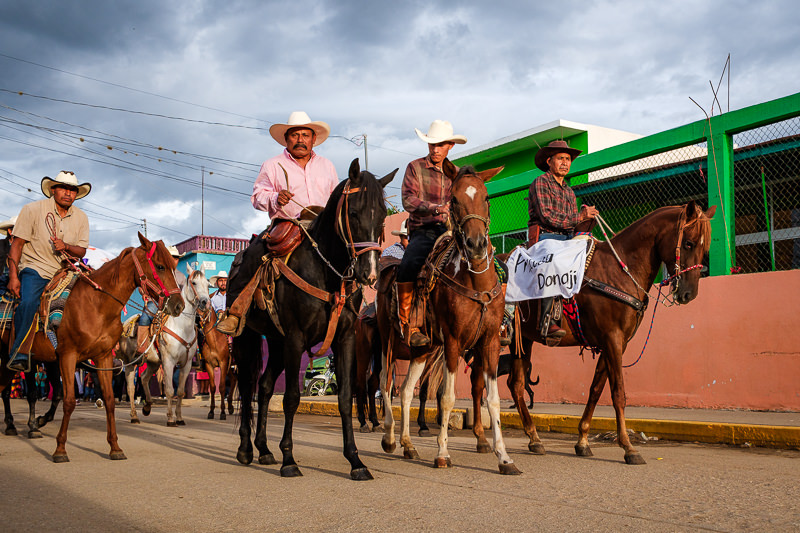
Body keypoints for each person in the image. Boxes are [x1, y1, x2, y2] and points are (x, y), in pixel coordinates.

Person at [217, 111, 339, 335]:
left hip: (323, 229)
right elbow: (257, 196)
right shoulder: (272, 165)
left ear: (313, 139)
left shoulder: (327, 166)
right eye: (295, 135)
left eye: (305, 135)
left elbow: (335, 199)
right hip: (287, 225)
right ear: (286, 139)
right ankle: (235, 312)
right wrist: (275, 198)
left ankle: (352, 307)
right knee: (254, 255)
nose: (300, 139)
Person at [6, 171, 90, 372]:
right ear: (53, 190)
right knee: (28, 302)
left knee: (88, 300)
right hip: (36, 267)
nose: (68, 193)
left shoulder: (81, 217)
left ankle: (87, 350)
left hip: (64, 271)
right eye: (63, 188)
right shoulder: (32, 209)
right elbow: (17, 245)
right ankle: (19, 352)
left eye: (72, 190)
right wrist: (13, 276)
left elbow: (82, 251)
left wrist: (67, 246)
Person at [395, 120, 467, 347]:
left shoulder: (456, 173)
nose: (435, 149)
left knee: (483, 261)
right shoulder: (414, 167)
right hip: (424, 229)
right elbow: (407, 199)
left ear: (450, 146)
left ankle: (493, 322)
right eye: (432, 144)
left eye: (440, 145)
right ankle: (408, 324)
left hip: (451, 232)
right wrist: (435, 208)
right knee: (409, 263)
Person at [527, 140, 599, 340]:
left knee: (595, 252)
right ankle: (547, 321)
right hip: (545, 237)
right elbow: (548, 217)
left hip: (567, 237)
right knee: (554, 262)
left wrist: (586, 222)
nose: (565, 163)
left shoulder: (569, 190)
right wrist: (580, 217)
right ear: (549, 161)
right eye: (561, 158)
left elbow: (571, 223)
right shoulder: (540, 182)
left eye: (568, 159)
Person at [134, 246, 186, 355]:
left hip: (174, 305)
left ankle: (192, 352)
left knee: (193, 323)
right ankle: (141, 349)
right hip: (157, 303)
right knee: (145, 318)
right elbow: (143, 285)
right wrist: (144, 293)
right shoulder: (159, 272)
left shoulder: (182, 277)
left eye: (176, 258)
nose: (173, 260)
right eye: (171, 257)